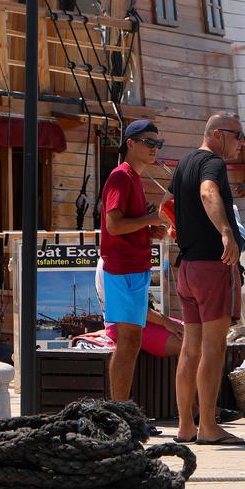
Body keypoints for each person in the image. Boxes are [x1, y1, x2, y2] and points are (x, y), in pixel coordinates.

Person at [170, 111, 245, 446]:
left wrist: (181, 230)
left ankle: (185, 425)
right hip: (211, 267)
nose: (242, 143)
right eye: (238, 135)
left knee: (190, 348)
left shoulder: (184, 162)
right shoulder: (212, 164)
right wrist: (226, 233)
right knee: (213, 348)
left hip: (186, 268)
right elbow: (207, 193)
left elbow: (167, 204)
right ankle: (210, 426)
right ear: (219, 134)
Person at [99, 119, 171, 403]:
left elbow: (123, 225)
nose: (155, 148)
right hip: (124, 269)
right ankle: (119, 409)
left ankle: (121, 408)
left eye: (158, 144)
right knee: (128, 342)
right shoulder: (121, 176)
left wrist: (148, 229)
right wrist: (153, 219)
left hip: (133, 268)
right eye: (149, 143)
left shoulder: (132, 179)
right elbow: (113, 225)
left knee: (131, 341)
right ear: (130, 143)